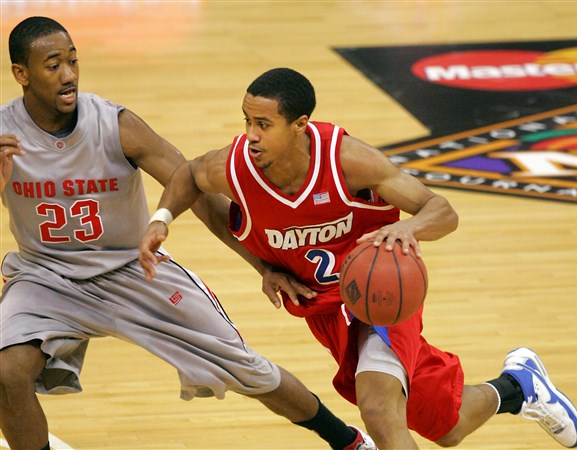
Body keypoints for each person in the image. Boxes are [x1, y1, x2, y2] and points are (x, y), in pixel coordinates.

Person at [139, 67, 577, 449]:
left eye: (263, 124)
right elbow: (189, 177)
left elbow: (442, 211)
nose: (250, 135)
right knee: (444, 426)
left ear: (300, 124)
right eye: (247, 121)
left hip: (383, 292)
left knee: (377, 409)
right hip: (326, 308)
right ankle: (518, 386)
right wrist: (166, 219)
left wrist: (406, 228)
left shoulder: (348, 161)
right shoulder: (234, 166)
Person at [0, 18, 377, 450]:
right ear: (21, 74)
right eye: (53, 66)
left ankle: (347, 441)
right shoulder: (3, 134)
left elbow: (193, 188)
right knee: (7, 373)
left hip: (133, 270)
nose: (68, 75)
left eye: (72, 61)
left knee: (246, 368)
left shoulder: (115, 124)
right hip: (46, 278)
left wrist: (265, 265)